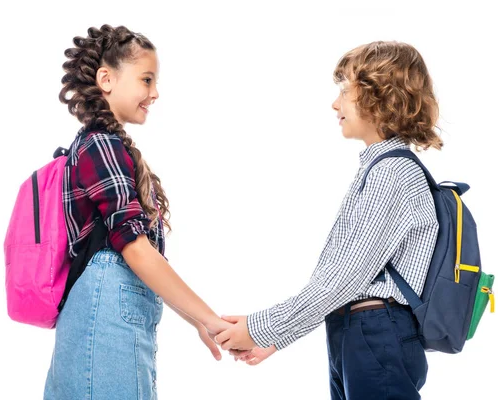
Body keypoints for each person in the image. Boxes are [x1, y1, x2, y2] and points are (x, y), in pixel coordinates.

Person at [216, 41, 443, 400]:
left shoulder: (392, 173)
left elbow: (344, 278)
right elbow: (338, 276)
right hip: (359, 331)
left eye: (345, 91)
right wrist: (277, 337)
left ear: (380, 97)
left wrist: (261, 328)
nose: (335, 104)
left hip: (374, 332)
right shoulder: (378, 169)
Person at [44, 24, 231, 400]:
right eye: (146, 79)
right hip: (106, 313)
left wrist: (196, 321)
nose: (155, 92)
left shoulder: (99, 145)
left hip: (98, 313)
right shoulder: (102, 146)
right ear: (106, 79)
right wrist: (209, 317)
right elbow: (135, 249)